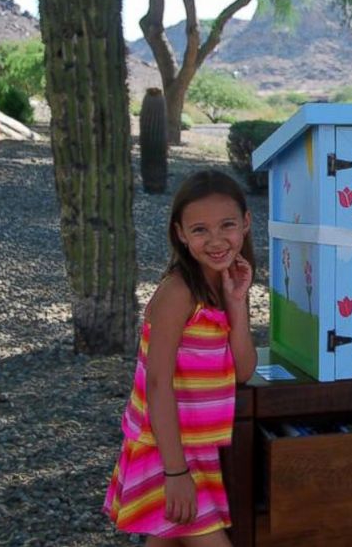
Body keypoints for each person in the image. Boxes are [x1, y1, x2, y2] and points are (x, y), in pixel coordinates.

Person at [104, 170, 258, 546]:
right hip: (165, 449)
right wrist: (175, 472)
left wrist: (237, 304)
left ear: (246, 224)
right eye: (200, 230)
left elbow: (244, 369)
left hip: (196, 446)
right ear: (180, 234)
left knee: (168, 540)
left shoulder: (228, 284)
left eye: (227, 225)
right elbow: (157, 383)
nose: (217, 240)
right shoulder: (178, 292)